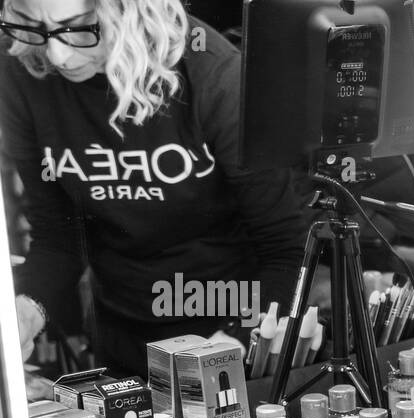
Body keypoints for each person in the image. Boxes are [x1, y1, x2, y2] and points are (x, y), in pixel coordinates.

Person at [1, 0, 305, 376]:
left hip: (232, 323)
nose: (57, 55)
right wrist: (28, 310)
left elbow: (287, 249)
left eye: (79, 28)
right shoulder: (24, 69)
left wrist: (234, 344)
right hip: (123, 333)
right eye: (36, 28)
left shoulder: (214, 75)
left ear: (131, 11)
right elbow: (57, 237)